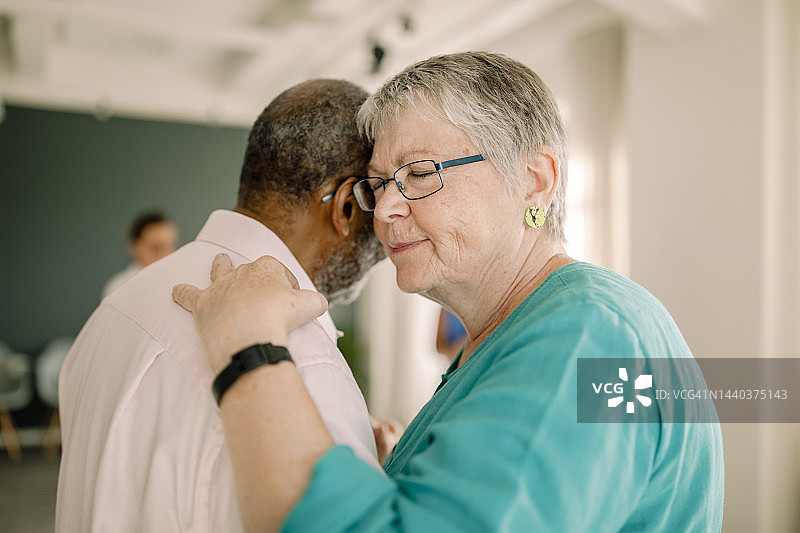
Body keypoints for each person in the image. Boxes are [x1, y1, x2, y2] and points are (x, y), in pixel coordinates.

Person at [172, 52, 725, 532]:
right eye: (379, 184)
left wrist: (250, 348)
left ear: (534, 180)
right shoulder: (519, 332)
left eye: (418, 174)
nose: (385, 210)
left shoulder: (590, 336)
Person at [57, 79, 386, 533]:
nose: (386, 232)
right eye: (379, 196)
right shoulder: (300, 362)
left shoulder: (116, 308)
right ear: (347, 206)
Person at [101, 210, 179, 297]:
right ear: (135, 246)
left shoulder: (180, 281)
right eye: (156, 247)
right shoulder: (116, 289)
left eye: (169, 247)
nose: (165, 255)